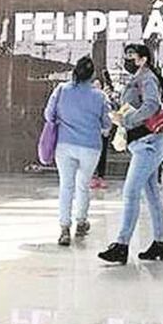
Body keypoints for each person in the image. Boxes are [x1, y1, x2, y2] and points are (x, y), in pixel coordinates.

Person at [98, 44, 163, 264]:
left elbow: (151, 105)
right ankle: (160, 244)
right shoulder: (138, 78)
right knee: (152, 196)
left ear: (143, 59)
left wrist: (128, 120)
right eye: (126, 56)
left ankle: (121, 245)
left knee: (131, 193)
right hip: (146, 143)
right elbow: (133, 106)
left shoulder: (146, 78)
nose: (127, 60)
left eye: (132, 56)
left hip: (149, 143)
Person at [43, 56, 112, 246]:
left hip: (65, 145)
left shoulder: (61, 90)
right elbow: (107, 123)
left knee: (66, 186)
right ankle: (81, 222)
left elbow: (49, 115)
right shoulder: (100, 96)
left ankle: (64, 228)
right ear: (92, 75)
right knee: (83, 185)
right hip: (90, 147)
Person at [91, 72, 118, 190]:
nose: (97, 88)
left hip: (103, 131)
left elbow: (113, 109)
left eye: (98, 85)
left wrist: (111, 97)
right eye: (94, 85)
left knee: (102, 154)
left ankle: (101, 177)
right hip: (92, 130)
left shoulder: (105, 97)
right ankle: (92, 176)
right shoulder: (90, 98)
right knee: (92, 154)